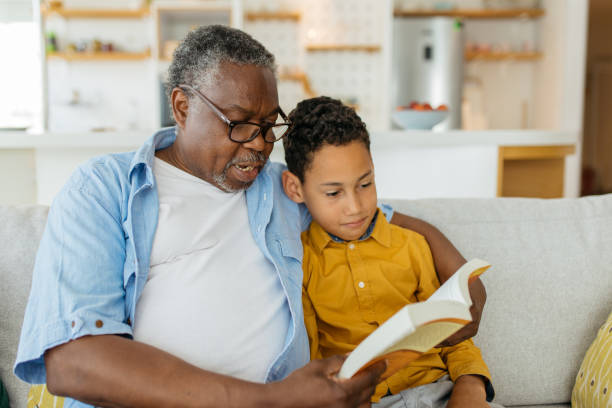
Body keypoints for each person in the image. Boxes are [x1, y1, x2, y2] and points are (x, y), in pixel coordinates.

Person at [14, 25, 486, 408]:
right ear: (182, 106)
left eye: (268, 126)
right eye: (240, 123)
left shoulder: (281, 187)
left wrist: (463, 281)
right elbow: (74, 363)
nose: (260, 144)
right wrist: (272, 400)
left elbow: (373, 215)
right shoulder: (104, 188)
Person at [281, 97, 501, 408]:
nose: (355, 207)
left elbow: (453, 336)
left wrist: (471, 387)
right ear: (295, 188)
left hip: (439, 391)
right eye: (333, 193)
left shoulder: (412, 246)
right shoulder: (302, 264)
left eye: (365, 184)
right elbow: (311, 363)